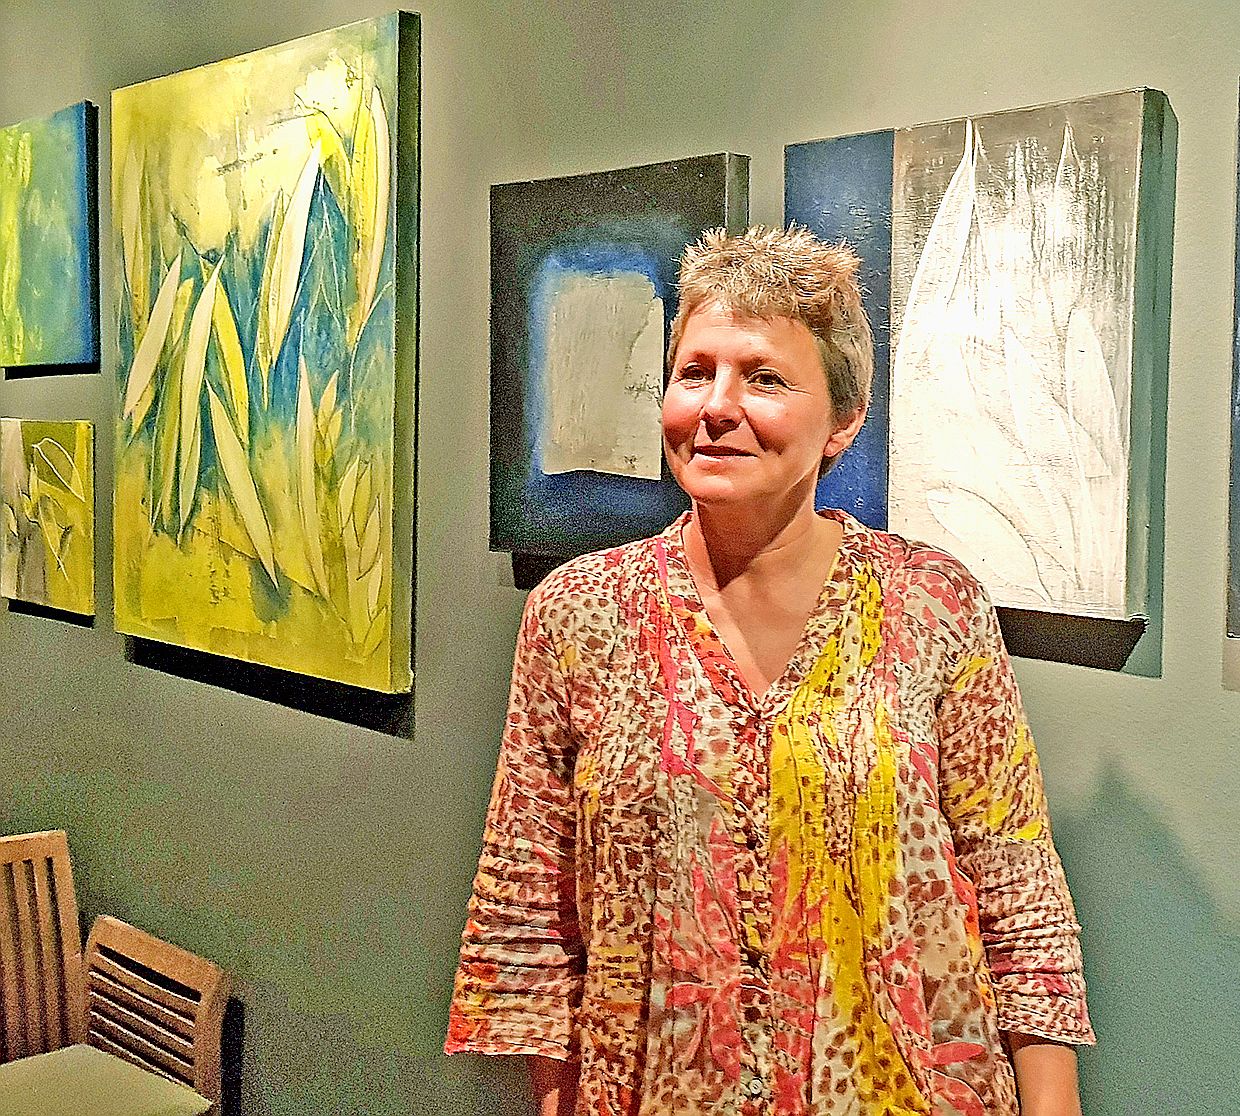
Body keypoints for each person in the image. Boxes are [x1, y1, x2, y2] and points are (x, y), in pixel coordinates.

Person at [448, 226, 1094, 1115]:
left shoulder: (932, 605)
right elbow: (530, 915)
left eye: (764, 378)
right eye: (693, 372)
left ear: (843, 419)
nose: (717, 406)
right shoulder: (580, 613)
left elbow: (1018, 890)